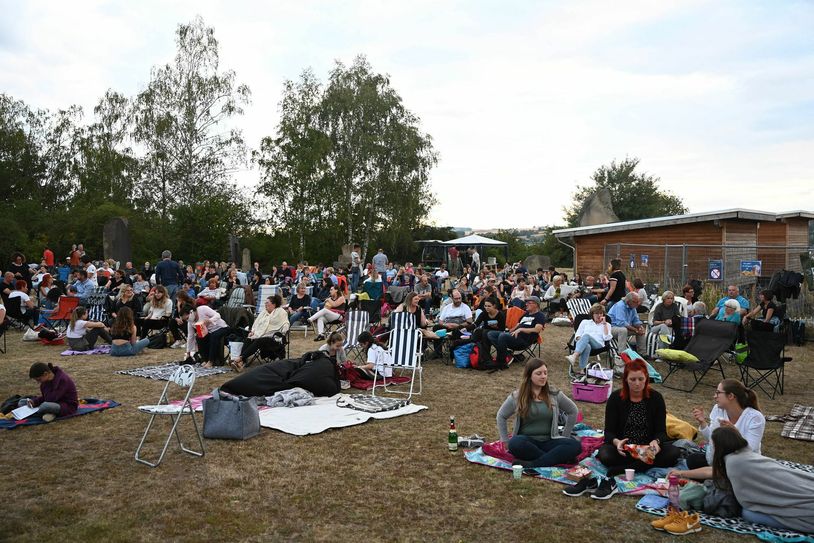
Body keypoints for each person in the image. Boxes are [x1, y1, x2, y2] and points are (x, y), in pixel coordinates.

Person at [564, 359, 681, 499]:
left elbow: (661, 432)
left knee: (674, 452)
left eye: (640, 379)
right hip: (625, 449)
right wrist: (616, 442)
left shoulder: (656, 398)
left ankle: (630, 467)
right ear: (626, 379)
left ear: (646, 379)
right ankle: (641, 464)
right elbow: (608, 432)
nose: (637, 383)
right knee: (605, 454)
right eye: (632, 379)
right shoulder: (616, 398)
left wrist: (656, 441)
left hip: (647, 448)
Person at [709, 426, 814, 532]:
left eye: (713, 445)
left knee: (748, 514)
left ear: (720, 446)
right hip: (802, 485)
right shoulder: (746, 453)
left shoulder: (734, 462)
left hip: (806, 505)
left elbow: (746, 500)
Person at [670, 379, 764, 481]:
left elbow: (750, 449)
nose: (715, 396)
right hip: (721, 459)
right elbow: (712, 439)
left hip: (743, 463)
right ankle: (714, 475)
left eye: (718, 393)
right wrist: (703, 423)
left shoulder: (754, 417)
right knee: (693, 460)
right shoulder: (718, 409)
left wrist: (734, 432)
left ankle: (715, 476)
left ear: (731, 396)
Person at [496, 359, 581, 467]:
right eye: (539, 373)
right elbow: (501, 416)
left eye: (545, 373)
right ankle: (555, 458)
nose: (543, 376)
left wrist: (566, 435)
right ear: (529, 375)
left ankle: (534, 463)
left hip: (550, 441)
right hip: (527, 442)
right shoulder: (517, 396)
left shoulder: (554, 394)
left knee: (575, 445)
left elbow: (573, 411)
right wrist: (505, 440)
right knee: (515, 443)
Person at [230, 295, 290, 371]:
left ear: (274, 304)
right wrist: (253, 331)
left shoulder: (281, 312)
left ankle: (239, 359)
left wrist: (284, 330)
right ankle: (241, 362)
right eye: (265, 303)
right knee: (249, 338)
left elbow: (285, 323)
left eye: (267, 303)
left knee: (259, 341)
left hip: (274, 338)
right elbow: (256, 324)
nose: (265, 304)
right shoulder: (263, 313)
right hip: (261, 336)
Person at [486, 296, 546, 369]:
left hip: (523, 341)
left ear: (536, 305)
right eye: (526, 303)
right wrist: (509, 331)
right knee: (491, 334)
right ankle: (507, 354)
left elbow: (537, 329)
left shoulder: (540, 316)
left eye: (529, 303)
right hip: (513, 336)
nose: (526, 304)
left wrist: (521, 329)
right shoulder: (526, 314)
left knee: (502, 336)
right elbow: (518, 325)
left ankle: (502, 362)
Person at [566, 303, 612, 374]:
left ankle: (574, 356)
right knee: (587, 346)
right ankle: (582, 370)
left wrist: (604, 324)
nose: (599, 315)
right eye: (596, 313)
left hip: (598, 345)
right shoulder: (585, 322)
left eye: (601, 313)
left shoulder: (607, 325)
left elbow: (607, 338)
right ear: (592, 314)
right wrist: (581, 341)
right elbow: (577, 334)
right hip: (583, 344)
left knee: (587, 335)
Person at [180, 303, 229, 368]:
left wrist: (210, 320)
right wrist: (188, 352)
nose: (187, 320)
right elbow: (190, 336)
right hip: (209, 332)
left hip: (221, 327)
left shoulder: (203, 309)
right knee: (199, 336)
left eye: (187, 317)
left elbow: (218, 315)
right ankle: (204, 359)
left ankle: (211, 361)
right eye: (186, 319)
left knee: (214, 336)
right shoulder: (190, 322)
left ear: (191, 312)